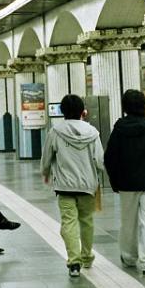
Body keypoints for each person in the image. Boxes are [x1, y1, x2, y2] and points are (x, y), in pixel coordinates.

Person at [104, 89, 145, 275]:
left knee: (128, 222)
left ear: (124, 107)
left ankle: (129, 256)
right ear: (144, 105)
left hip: (126, 184)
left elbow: (110, 158)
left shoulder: (119, 129)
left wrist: (115, 181)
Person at [41, 95, 104, 277]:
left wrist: (45, 172)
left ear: (62, 111)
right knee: (87, 221)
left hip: (64, 186)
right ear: (82, 111)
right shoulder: (92, 132)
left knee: (68, 222)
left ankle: (74, 262)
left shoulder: (55, 131)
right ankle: (86, 256)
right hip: (87, 186)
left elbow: (46, 157)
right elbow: (99, 161)